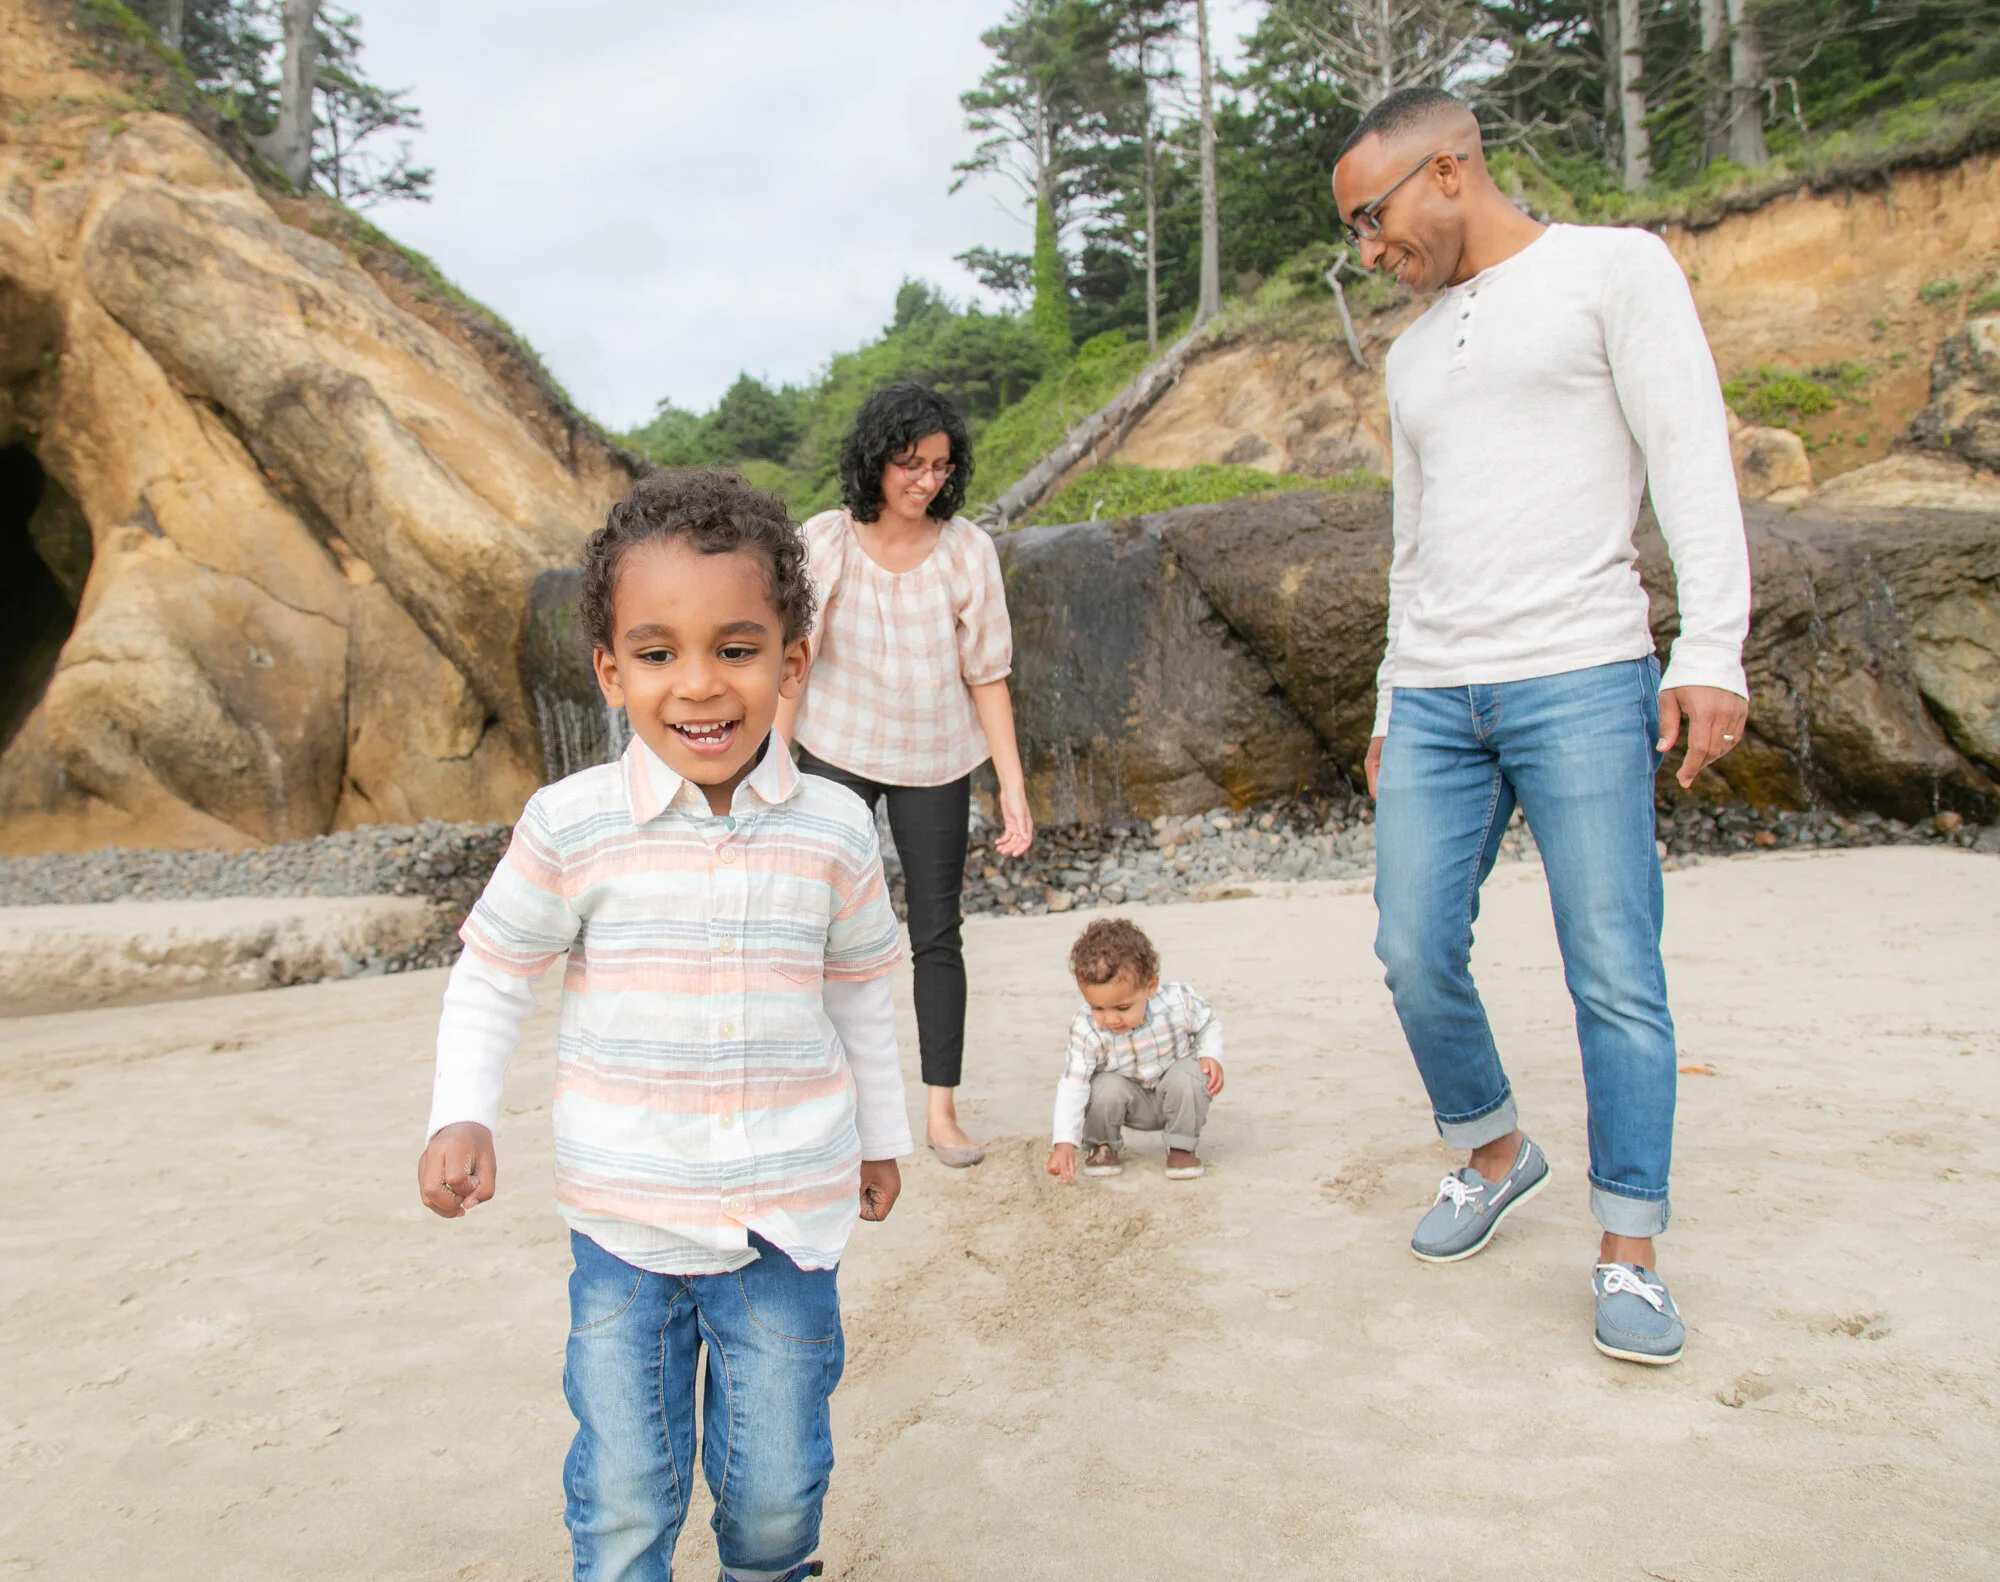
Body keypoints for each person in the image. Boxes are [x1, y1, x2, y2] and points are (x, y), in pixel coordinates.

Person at [416, 468, 910, 1582]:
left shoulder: (832, 829)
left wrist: (882, 1133)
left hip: (787, 1219)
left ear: (792, 660)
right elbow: (494, 971)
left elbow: (859, 992)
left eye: (736, 649)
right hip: (624, 1227)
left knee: (779, 1493)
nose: (699, 685)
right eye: (656, 652)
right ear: (607, 670)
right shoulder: (571, 824)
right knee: (627, 1497)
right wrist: (461, 1114)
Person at [1331, 88, 1752, 1366]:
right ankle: (1496, 1149)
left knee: (1612, 971)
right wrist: (1389, 695)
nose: (1366, 252)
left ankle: (1627, 1250)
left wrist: (1710, 648)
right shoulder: (1406, 356)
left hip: (1579, 669)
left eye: (1372, 218)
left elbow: (1689, 454)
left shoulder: (1611, 271)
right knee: (1409, 946)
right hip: (1436, 696)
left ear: (1446, 171)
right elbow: (1414, 541)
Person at [776, 382, 1034, 1170]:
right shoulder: (826, 542)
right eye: (909, 464)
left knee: (936, 933)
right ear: (876, 461)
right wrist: (775, 761)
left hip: (935, 760)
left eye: (939, 467)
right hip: (834, 749)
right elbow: (796, 658)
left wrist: (1012, 787)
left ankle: (942, 1111)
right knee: (820, 932)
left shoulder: (968, 551)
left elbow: (988, 673)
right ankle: (826, 1103)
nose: (925, 481)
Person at [1046, 918, 1225, 1183]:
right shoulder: (1086, 1029)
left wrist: (1210, 1053)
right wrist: (1063, 1142)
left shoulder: (1177, 1002)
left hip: (1173, 1094)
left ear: (1150, 987)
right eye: (1098, 1008)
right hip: (1127, 1101)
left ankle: (1181, 1147)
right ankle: (1102, 1145)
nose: (1110, 1019)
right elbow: (1073, 1084)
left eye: (1122, 1008)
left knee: (1191, 1073)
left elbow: (1208, 1022)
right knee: (1101, 1084)